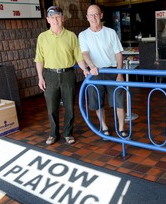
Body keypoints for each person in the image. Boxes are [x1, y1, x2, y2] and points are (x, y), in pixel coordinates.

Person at [34, 6, 89, 145]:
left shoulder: (71, 36)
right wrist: (40, 77)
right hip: (50, 76)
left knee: (69, 106)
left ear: (62, 18)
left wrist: (85, 69)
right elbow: (39, 59)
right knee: (52, 108)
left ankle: (68, 133)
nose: (55, 20)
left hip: (68, 74)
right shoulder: (42, 37)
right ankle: (53, 133)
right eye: (52, 17)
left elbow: (78, 56)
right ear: (48, 20)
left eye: (58, 17)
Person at [78, 4, 128, 139]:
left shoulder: (110, 32)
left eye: (96, 14)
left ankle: (122, 128)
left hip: (112, 71)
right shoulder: (83, 35)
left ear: (101, 15)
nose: (94, 18)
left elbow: (118, 53)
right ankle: (104, 126)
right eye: (91, 15)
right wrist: (91, 66)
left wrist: (120, 73)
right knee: (97, 103)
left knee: (119, 101)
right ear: (87, 17)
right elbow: (85, 54)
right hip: (95, 73)